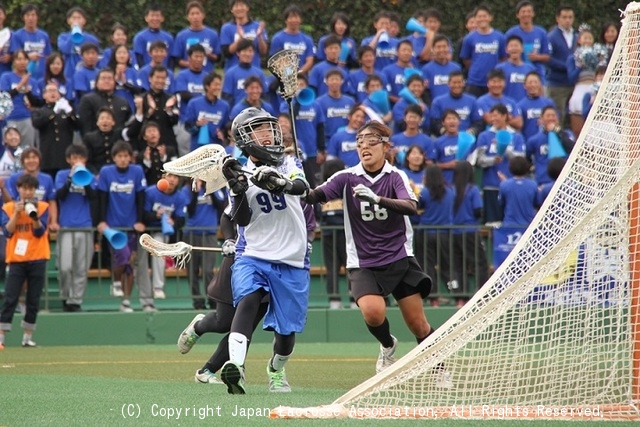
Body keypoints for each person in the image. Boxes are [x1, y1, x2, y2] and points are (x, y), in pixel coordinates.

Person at [305, 121, 446, 384]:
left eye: (371, 141)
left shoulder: (396, 176)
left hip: (398, 256)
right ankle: (387, 345)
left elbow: (410, 206)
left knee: (418, 324)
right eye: (359, 141)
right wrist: (291, 186)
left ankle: (438, 368)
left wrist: (377, 199)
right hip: (363, 260)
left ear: (385, 145)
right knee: (372, 312)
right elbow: (315, 195)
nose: (364, 146)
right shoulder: (346, 177)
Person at [214, 107, 310, 395]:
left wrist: (279, 183)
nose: (268, 134)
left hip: (291, 257)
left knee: (286, 333)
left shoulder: (289, 162)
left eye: (270, 128)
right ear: (245, 138)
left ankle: (276, 369)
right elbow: (240, 219)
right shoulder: (238, 169)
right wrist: (237, 188)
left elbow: (301, 187)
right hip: (252, 254)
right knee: (248, 300)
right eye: (260, 130)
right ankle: (236, 367)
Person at [0, 173, 49, 349]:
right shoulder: (8, 207)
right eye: (24, 188)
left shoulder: (43, 207)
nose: (27, 192)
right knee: (11, 297)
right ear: (18, 189)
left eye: (30, 189)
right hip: (16, 258)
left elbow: (39, 232)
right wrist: (16, 213)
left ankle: (27, 338)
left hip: (37, 256)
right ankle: (1, 337)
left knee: (33, 299)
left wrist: (34, 217)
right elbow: (8, 232)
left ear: (35, 190)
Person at [96, 141, 146, 313]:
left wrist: (139, 221)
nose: (123, 159)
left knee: (130, 264)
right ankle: (116, 282)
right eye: (119, 156)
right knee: (122, 257)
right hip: (113, 227)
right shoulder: (106, 172)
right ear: (114, 158)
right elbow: (101, 197)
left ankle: (126, 300)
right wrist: (102, 221)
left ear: (130, 158)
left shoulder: (137, 171)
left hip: (131, 225)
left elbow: (141, 197)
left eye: (126, 156)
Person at [54, 144, 97, 312]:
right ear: (68, 160)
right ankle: (65, 296)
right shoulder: (61, 175)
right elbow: (60, 195)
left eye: (80, 158)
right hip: (66, 227)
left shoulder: (90, 176)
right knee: (65, 267)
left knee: (81, 267)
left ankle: (75, 301)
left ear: (85, 160)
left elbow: (94, 197)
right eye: (74, 158)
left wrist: (84, 178)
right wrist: (72, 177)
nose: (77, 161)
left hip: (85, 226)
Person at [138, 172, 186, 308]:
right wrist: (156, 215)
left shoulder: (180, 196)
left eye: (175, 177)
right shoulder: (151, 192)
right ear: (163, 177)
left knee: (160, 249)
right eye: (169, 176)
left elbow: (181, 219)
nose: (171, 179)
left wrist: (173, 222)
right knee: (139, 265)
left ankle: (158, 287)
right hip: (145, 232)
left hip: (163, 233)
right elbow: (144, 213)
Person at [182, 179, 227, 310]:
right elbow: (189, 210)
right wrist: (196, 192)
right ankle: (198, 302)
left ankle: (212, 300)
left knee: (208, 270)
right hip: (191, 234)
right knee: (192, 271)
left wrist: (210, 189)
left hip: (209, 234)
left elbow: (221, 206)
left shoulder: (215, 188)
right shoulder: (186, 190)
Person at [416, 165, 454, 307]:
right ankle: (457, 294)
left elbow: (417, 206)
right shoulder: (450, 191)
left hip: (426, 233)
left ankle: (434, 298)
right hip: (444, 233)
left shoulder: (424, 192)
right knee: (447, 265)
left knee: (428, 265)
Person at [451, 161, 488, 305]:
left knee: (458, 264)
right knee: (480, 263)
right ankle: (482, 293)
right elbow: (478, 210)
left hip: (453, 232)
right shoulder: (472, 189)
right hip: (470, 230)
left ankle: (460, 297)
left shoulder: (451, 189)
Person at [31, 82, 78, 178]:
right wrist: (53, 113)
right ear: (44, 95)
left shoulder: (65, 109)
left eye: (55, 91)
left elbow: (77, 126)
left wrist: (70, 113)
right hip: (48, 155)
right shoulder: (39, 111)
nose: (52, 93)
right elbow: (37, 123)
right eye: (49, 91)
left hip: (64, 153)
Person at [459, 5, 506, 97]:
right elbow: (466, 59)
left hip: (494, 82)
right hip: (475, 81)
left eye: (485, 16)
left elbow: (503, 57)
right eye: (479, 17)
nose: (482, 19)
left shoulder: (500, 37)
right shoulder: (469, 38)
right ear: (475, 19)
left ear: (490, 17)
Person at [0, 49, 42, 147]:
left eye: (24, 59)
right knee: (10, 148)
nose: (22, 62)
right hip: (10, 118)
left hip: (27, 118)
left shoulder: (32, 81)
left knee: (27, 149)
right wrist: (20, 86)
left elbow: (36, 102)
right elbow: (4, 96)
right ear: (14, 61)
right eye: (19, 59)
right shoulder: (6, 77)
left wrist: (28, 92)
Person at [546, 5, 578, 125]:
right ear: (557, 19)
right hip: (557, 84)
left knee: (574, 117)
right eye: (564, 17)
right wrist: (568, 66)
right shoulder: (551, 37)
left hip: (574, 83)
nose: (567, 20)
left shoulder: (577, 36)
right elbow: (548, 59)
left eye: (570, 17)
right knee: (558, 116)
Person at [77, 68, 132, 137]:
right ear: (96, 82)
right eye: (103, 78)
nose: (106, 81)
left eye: (110, 79)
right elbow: (85, 127)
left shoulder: (122, 102)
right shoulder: (88, 100)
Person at [183, 72, 230, 152]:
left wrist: (222, 133)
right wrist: (197, 124)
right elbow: (187, 127)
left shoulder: (225, 106)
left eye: (219, 85)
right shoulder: (194, 103)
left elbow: (226, 127)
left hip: (216, 150)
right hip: (197, 150)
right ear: (207, 86)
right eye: (215, 84)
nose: (218, 87)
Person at [171, 1, 220, 73]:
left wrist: (208, 54)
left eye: (197, 13)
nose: (195, 17)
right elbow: (177, 59)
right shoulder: (181, 36)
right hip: (187, 76)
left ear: (203, 15)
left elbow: (218, 58)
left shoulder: (213, 34)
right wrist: (192, 65)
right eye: (192, 14)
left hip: (207, 75)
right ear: (187, 17)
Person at [220, 0, 268, 71]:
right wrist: (240, 39)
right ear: (231, 10)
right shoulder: (226, 28)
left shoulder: (257, 26)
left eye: (242, 5)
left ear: (247, 8)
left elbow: (264, 52)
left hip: (254, 70)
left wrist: (260, 36)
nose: (239, 8)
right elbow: (226, 53)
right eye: (236, 6)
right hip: (233, 71)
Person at [268, 4, 315, 74]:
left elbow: (310, 60)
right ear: (286, 20)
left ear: (300, 19)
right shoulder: (277, 38)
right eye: (291, 17)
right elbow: (275, 61)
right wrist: (289, 75)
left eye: (296, 17)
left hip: (302, 79)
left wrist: (298, 73)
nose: (293, 20)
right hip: (283, 77)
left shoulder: (307, 40)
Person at [9, 4, 51, 80]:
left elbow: (48, 56)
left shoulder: (44, 35)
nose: (30, 18)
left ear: (37, 17)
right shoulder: (17, 35)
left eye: (33, 15)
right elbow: (14, 57)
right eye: (27, 15)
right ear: (23, 17)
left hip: (42, 77)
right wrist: (28, 57)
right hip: (23, 76)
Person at [57, 6, 100, 81]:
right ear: (68, 21)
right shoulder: (63, 37)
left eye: (79, 18)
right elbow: (65, 50)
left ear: (84, 21)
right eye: (74, 18)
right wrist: (74, 34)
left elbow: (97, 58)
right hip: (69, 75)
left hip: (87, 77)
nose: (76, 21)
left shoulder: (92, 39)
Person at [132, 4, 174, 68]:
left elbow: (171, 59)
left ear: (162, 18)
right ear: (146, 18)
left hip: (164, 74)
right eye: (152, 15)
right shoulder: (140, 37)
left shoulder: (169, 38)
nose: (155, 18)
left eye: (157, 16)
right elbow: (138, 58)